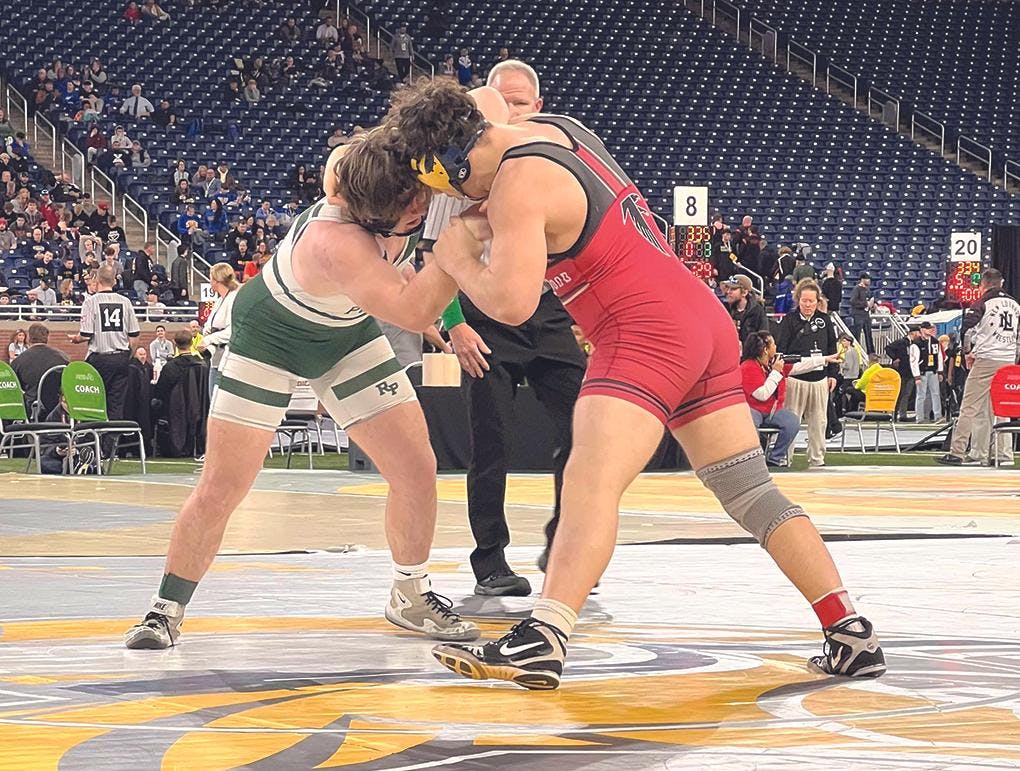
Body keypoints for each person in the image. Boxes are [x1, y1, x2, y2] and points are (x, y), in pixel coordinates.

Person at [353, 79, 885, 688]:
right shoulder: (556, 131)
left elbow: (512, 304)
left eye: (450, 187)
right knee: (750, 493)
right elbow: (488, 114)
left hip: (643, 332)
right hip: (700, 319)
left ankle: (545, 635)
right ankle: (848, 630)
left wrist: (456, 259)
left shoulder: (514, 189)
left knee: (588, 482)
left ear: (453, 161)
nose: (459, 201)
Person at [122, 132, 479, 651]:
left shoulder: (366, 168)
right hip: (269, 337)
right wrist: (459, 252)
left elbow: (356, 162)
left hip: (345, 334)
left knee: (417, 468)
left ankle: (410, 592)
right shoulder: (337, 243)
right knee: (223, 487)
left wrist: (454, 318)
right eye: (410, 207)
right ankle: (165, 609)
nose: (422, 207)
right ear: (373, 213)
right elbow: (414, 307)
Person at [418, 60, 587, 595]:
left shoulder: (554, 162)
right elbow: (435, 256)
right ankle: (489, 559)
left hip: (549, 307)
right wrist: (454, 326)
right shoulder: (461, 175)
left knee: (586, 428)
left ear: (536, 108)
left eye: (518, 102)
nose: (510, 111)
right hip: (483, 313)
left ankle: (566, 537)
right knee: (490, 443)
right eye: (499, 102)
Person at [938, 269, 1020, 466]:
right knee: (1000, 409)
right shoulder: (1015, 305)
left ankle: (958, 452)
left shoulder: (982, 303)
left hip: (986, 359)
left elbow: (967, 330)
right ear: (1001, 283)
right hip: (1007, 360)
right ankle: (1004, 454)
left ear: (983, 285)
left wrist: (967, 353)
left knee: (970, 406)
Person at [775, 279, 839, 468]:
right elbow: (782, 349)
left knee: (819, 423)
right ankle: (785, 458)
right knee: (791, 422)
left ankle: (817, 459)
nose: (808, 305)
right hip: (796, 379)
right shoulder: (789, 320)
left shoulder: (825, 320)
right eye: (804, 301)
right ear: (798, 300)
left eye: (811, 301)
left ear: (817, 301)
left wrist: (833, 374)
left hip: (819, 380)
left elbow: (831, 349)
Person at [67, 265, 140, 425]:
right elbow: (134, 336)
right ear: (114, 281)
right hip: (121, 358)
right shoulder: (125, 302)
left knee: (93, 404)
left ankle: (91, 443)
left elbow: (85, 334)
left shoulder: (90, 302)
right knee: (116, 406)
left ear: (97, 280)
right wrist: (127, 356)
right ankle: (110, 447)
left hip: (99, 359)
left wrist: (75, 339)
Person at [740, 331, 800, 468]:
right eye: (773, 344)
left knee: (792, 422)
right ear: (765, 349)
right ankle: (753, 459)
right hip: (752, 408)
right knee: (750, 423)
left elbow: (799, 366)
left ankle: (775, 458)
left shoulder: (771, 364)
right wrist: (775, 373)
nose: (776, 346)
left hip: (772, 411)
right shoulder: (748, 367)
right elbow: (762, 394)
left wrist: (825, 359)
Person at [198, 263, 240, 400]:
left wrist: (209, 339)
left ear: (216, 280)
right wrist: (207, 334)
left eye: (210, 278)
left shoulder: (234, 298)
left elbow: (232, 331)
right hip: (215, 359)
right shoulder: (219, 300)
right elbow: (208, 325)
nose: (209, 281)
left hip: (228, 360)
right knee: (212, 402)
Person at [11, 324, 69, 415]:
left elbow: (14, 388)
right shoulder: (63, 358)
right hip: (59, 410)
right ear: (47, 338)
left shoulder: (19, 361)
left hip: (32, 409)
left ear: (29, 338)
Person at [909, 321, 944, 423]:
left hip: (933, 371)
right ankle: (920, 418)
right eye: (929, 328)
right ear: (923, 330)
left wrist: (940, 371)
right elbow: (913, 361)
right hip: (922, 372)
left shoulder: (935, 341)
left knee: (935, 394)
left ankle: (937, 416)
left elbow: (939, 356)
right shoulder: (916, 343)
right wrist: (916, 376)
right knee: (921, 395)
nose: (931, 330)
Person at [724, 274, 769, 346]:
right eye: (728, 288)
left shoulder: (757, 311)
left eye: (733, 289)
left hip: (750, 354)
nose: (728, 292)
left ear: (744, 292)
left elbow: (764, 337)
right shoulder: (726, 310)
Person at [848, 273, 875, 354]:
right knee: (857, 335)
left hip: (866, 314)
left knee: (869, 335)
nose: (869, 281)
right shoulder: (857, 289)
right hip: (858, 315)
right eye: (867, 279)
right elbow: (853, 301)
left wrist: (873, 305)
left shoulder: (867, 290)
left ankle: (871, 353)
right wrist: (865, 304)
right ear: (862, 279)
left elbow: (870, 300)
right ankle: (857, 352)